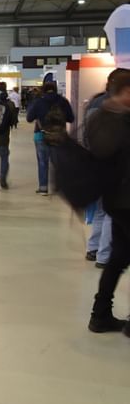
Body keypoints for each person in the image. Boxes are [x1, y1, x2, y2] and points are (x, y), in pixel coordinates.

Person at [87, 69, 130, 335]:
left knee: (119, 257)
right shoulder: (119, 121)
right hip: (126, 198)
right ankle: (100, 314)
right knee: (117, 257)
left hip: (115, 198)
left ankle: (100, 314)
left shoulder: (99, 116)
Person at [84, 69, 129, 267]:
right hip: (113, 176)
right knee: (111, 216)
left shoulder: (95, 104)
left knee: (101, 213)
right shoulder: (117, 112)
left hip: (96, 169)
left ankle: (93, 248)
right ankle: (103, 256)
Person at [26, 81, 74, 195]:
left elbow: (29, 118)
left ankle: (43, 187)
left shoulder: (38, 102)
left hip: (41, 134)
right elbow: (71, 118)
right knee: (57, 162)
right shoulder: (63, 102)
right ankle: (58, 187)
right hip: (59, 136)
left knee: (43, 162)